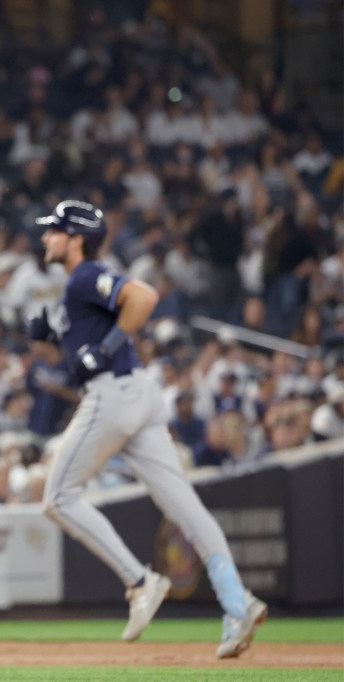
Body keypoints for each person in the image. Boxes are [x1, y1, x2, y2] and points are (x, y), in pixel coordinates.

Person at [28, 200, 267, 659]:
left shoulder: (84, 273)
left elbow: (143, 297)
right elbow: (89, 327)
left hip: (112, 396)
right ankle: (238, 603)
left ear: (75, 238)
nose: (46, 238)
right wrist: (57, 331)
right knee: (184, 506)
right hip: (138, 393)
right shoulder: (76, 287)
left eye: (54, 231)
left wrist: (107, 345)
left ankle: (140, 581)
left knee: (58, 498)